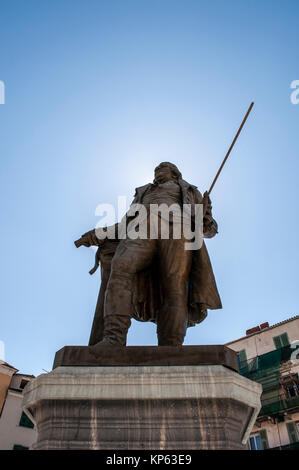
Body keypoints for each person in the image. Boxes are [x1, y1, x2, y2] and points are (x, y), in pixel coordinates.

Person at [76, 162, 222, 346]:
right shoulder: (143, 192)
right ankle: (113, 339)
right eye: (156, 169)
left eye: (163, 167)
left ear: (175, 174)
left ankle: (171, 346)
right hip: (141, 230)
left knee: (175, 286)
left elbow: (209, 230)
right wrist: (97, 235)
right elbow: (124, 225)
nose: (158, 170)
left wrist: (206, 219)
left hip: (178, 230)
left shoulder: (190, 192)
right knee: (119, 267)